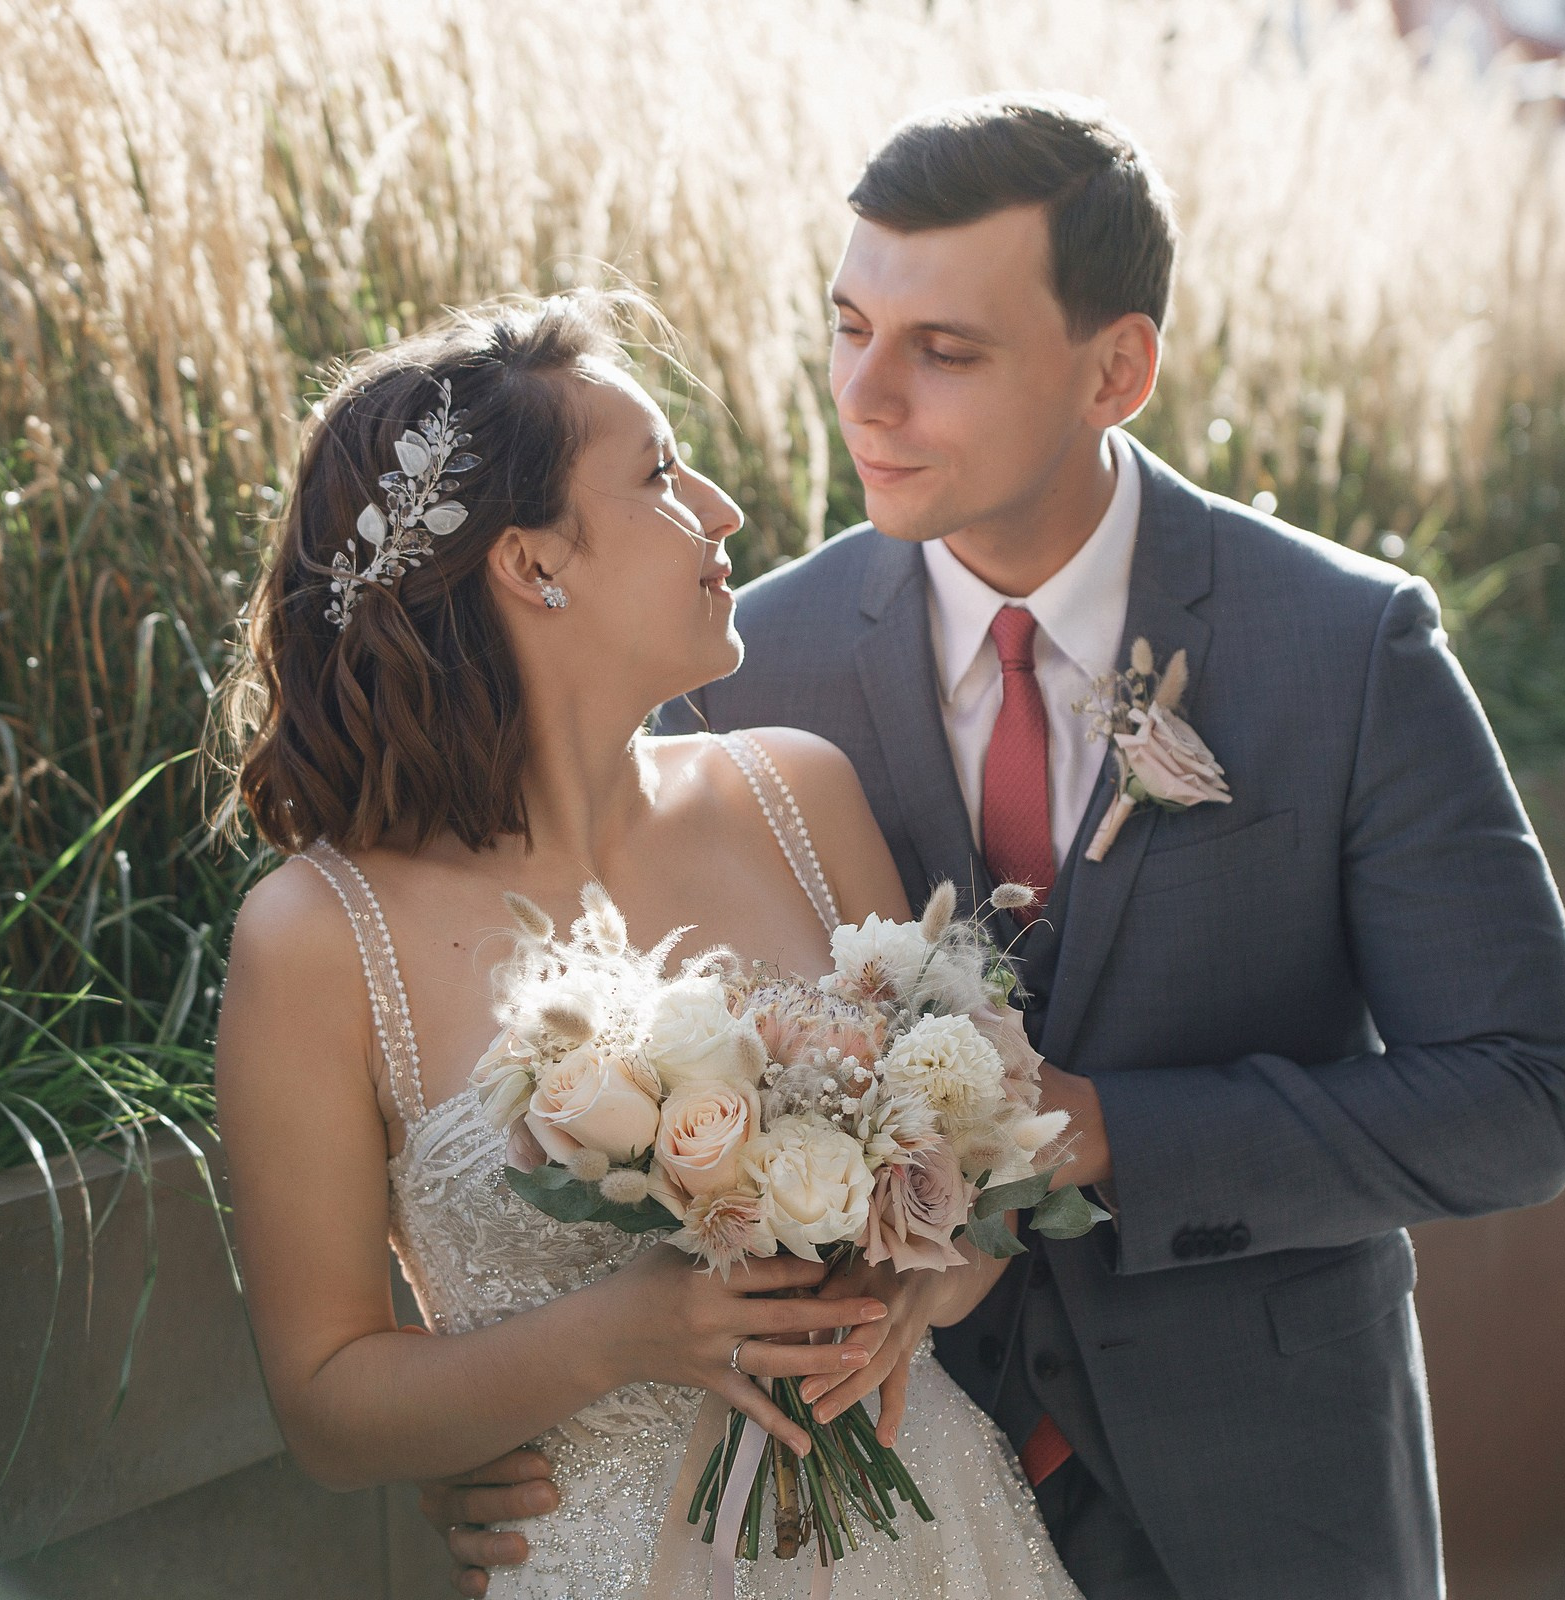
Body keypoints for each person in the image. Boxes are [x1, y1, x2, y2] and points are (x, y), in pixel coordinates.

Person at [426, 93, 1565, 1599]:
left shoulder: (1346, 643)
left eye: (945, 352)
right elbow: (605, 1074)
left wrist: (1106, 1128)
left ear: (1118, 368)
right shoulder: (741, 663)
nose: (867, 396)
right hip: (879, 1508)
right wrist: (534, 1446)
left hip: (1275, 1500)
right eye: (850, 328)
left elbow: (1523, 1095)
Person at [213, 291, 1085, 1596]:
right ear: (531, 564)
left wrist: (917, 1287)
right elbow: (331, 1403)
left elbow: (977, 1187)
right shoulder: (316, 939)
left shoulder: (798, 792)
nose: (723, 511)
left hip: (927, 1536)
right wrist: (617, 1335)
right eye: (662, 476)